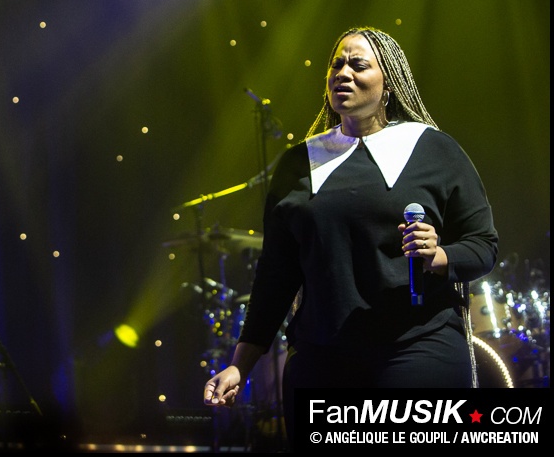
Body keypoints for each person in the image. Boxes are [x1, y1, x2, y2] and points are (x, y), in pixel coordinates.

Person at [203, 26, 499, 446]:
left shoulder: (434, 149)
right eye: (336, 64)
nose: (343, 73)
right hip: (322, 358)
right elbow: (276, 275)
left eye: (359, 65)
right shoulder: (299, 163)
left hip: (417, 347)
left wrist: (438, 258)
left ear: (389, 83)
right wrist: (241, 364)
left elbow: (484, 245)